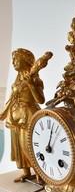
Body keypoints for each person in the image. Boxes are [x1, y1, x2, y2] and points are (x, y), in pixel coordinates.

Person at [0, 48, 45, 182]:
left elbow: (40, 100)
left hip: (29, 114)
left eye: (16, 58)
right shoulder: (17, 80)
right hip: (15, 116)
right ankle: (26, 172)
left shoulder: (35, 79)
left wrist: (31, 84)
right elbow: (12, 97)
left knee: (29, 145)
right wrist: (3, 112)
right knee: (18, 146)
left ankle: (40, 174)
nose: (13, 61)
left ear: (24, 60)